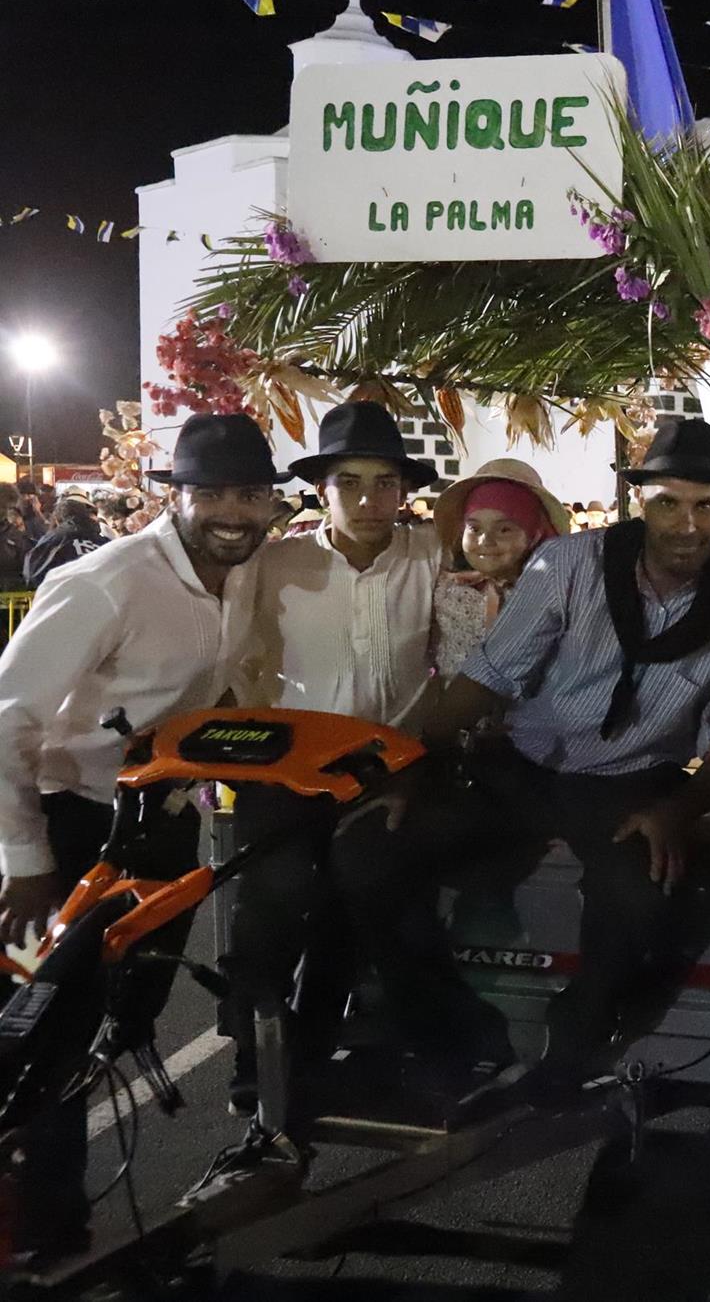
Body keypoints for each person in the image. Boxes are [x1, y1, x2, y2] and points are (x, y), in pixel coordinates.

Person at [200, 401, 511, 1201]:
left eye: (385, 482)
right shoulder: (275, 565)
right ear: (322, 489)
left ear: (405, 489)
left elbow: (472, 650)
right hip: (291, 768)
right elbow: (235, 663)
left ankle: (426, 1042)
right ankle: (258, 1066)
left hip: (399, 767)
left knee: (364, 882)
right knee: (273, 898)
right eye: (351, 481)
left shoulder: (432, 558)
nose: (370, 498)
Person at [0, 415, 280, 1265]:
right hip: (72, 822)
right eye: (212, 493)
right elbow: (6, 717)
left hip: (160, 823)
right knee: (42, 1030)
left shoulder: (244, 570)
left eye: (249, 494)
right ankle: (43, 1227)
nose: (232, 512)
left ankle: (54, 1213)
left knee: (119, 1024)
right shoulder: (107, 582)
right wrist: (28, 859)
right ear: (178, 495)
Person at [433, 417, 710, 1096]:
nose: (686, 524)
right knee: (381, 849)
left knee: (649, 890)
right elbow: (490, 674)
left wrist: (677, 809)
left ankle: (577, 1041)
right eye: (667, 502)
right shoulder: (569, 563)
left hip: (630, 779)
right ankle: (439, 1025)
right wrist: (412, 765)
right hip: (522, 762)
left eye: (705, 505)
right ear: (641, 501)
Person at [429, 457, 571, 674]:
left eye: (504, 529)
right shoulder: (448, 591)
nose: (486, 541)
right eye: (474, 529)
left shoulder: (558, 598)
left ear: (534, 534)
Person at [23, 495, 110, 588]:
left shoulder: (54, 539)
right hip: (104, 594)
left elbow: (32, 571)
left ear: (57, 520)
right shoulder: (105, 542)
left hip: (66, 595)